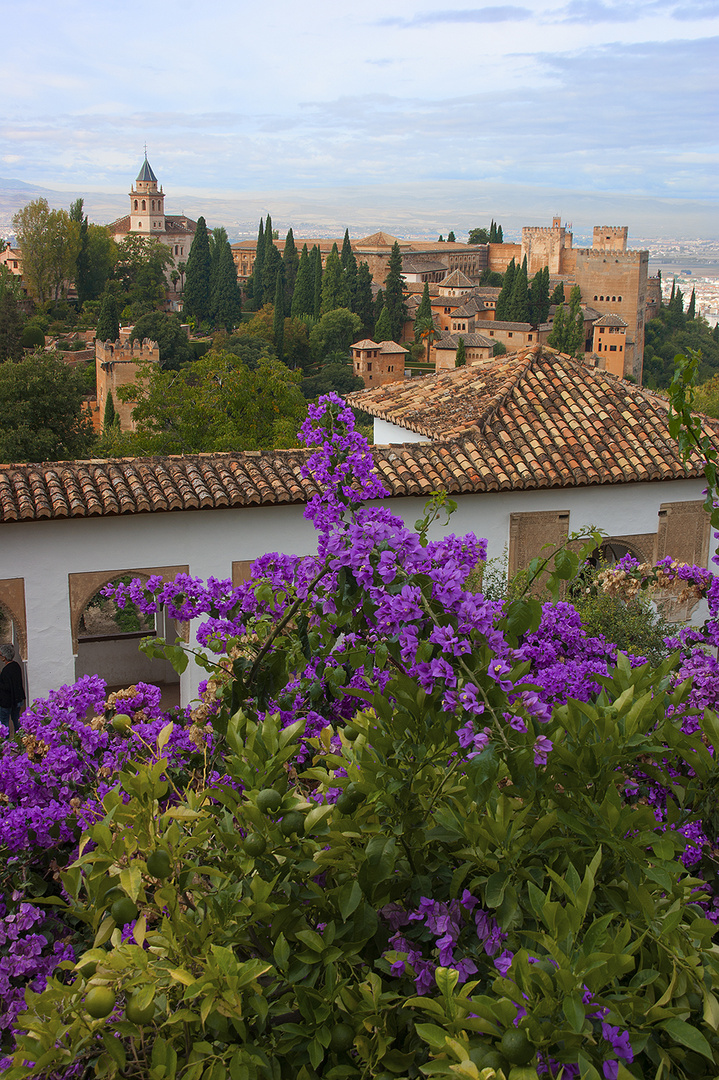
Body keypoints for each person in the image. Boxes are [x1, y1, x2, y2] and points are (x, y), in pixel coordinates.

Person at [0, 642, 25, 734]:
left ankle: (5, 741)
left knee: (4, 722)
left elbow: (6, 687)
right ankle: (19, 738)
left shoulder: (6, 670)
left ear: (4, 657)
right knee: (16, 720)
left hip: (7, 702)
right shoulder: (16, 666)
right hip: (17, 700)